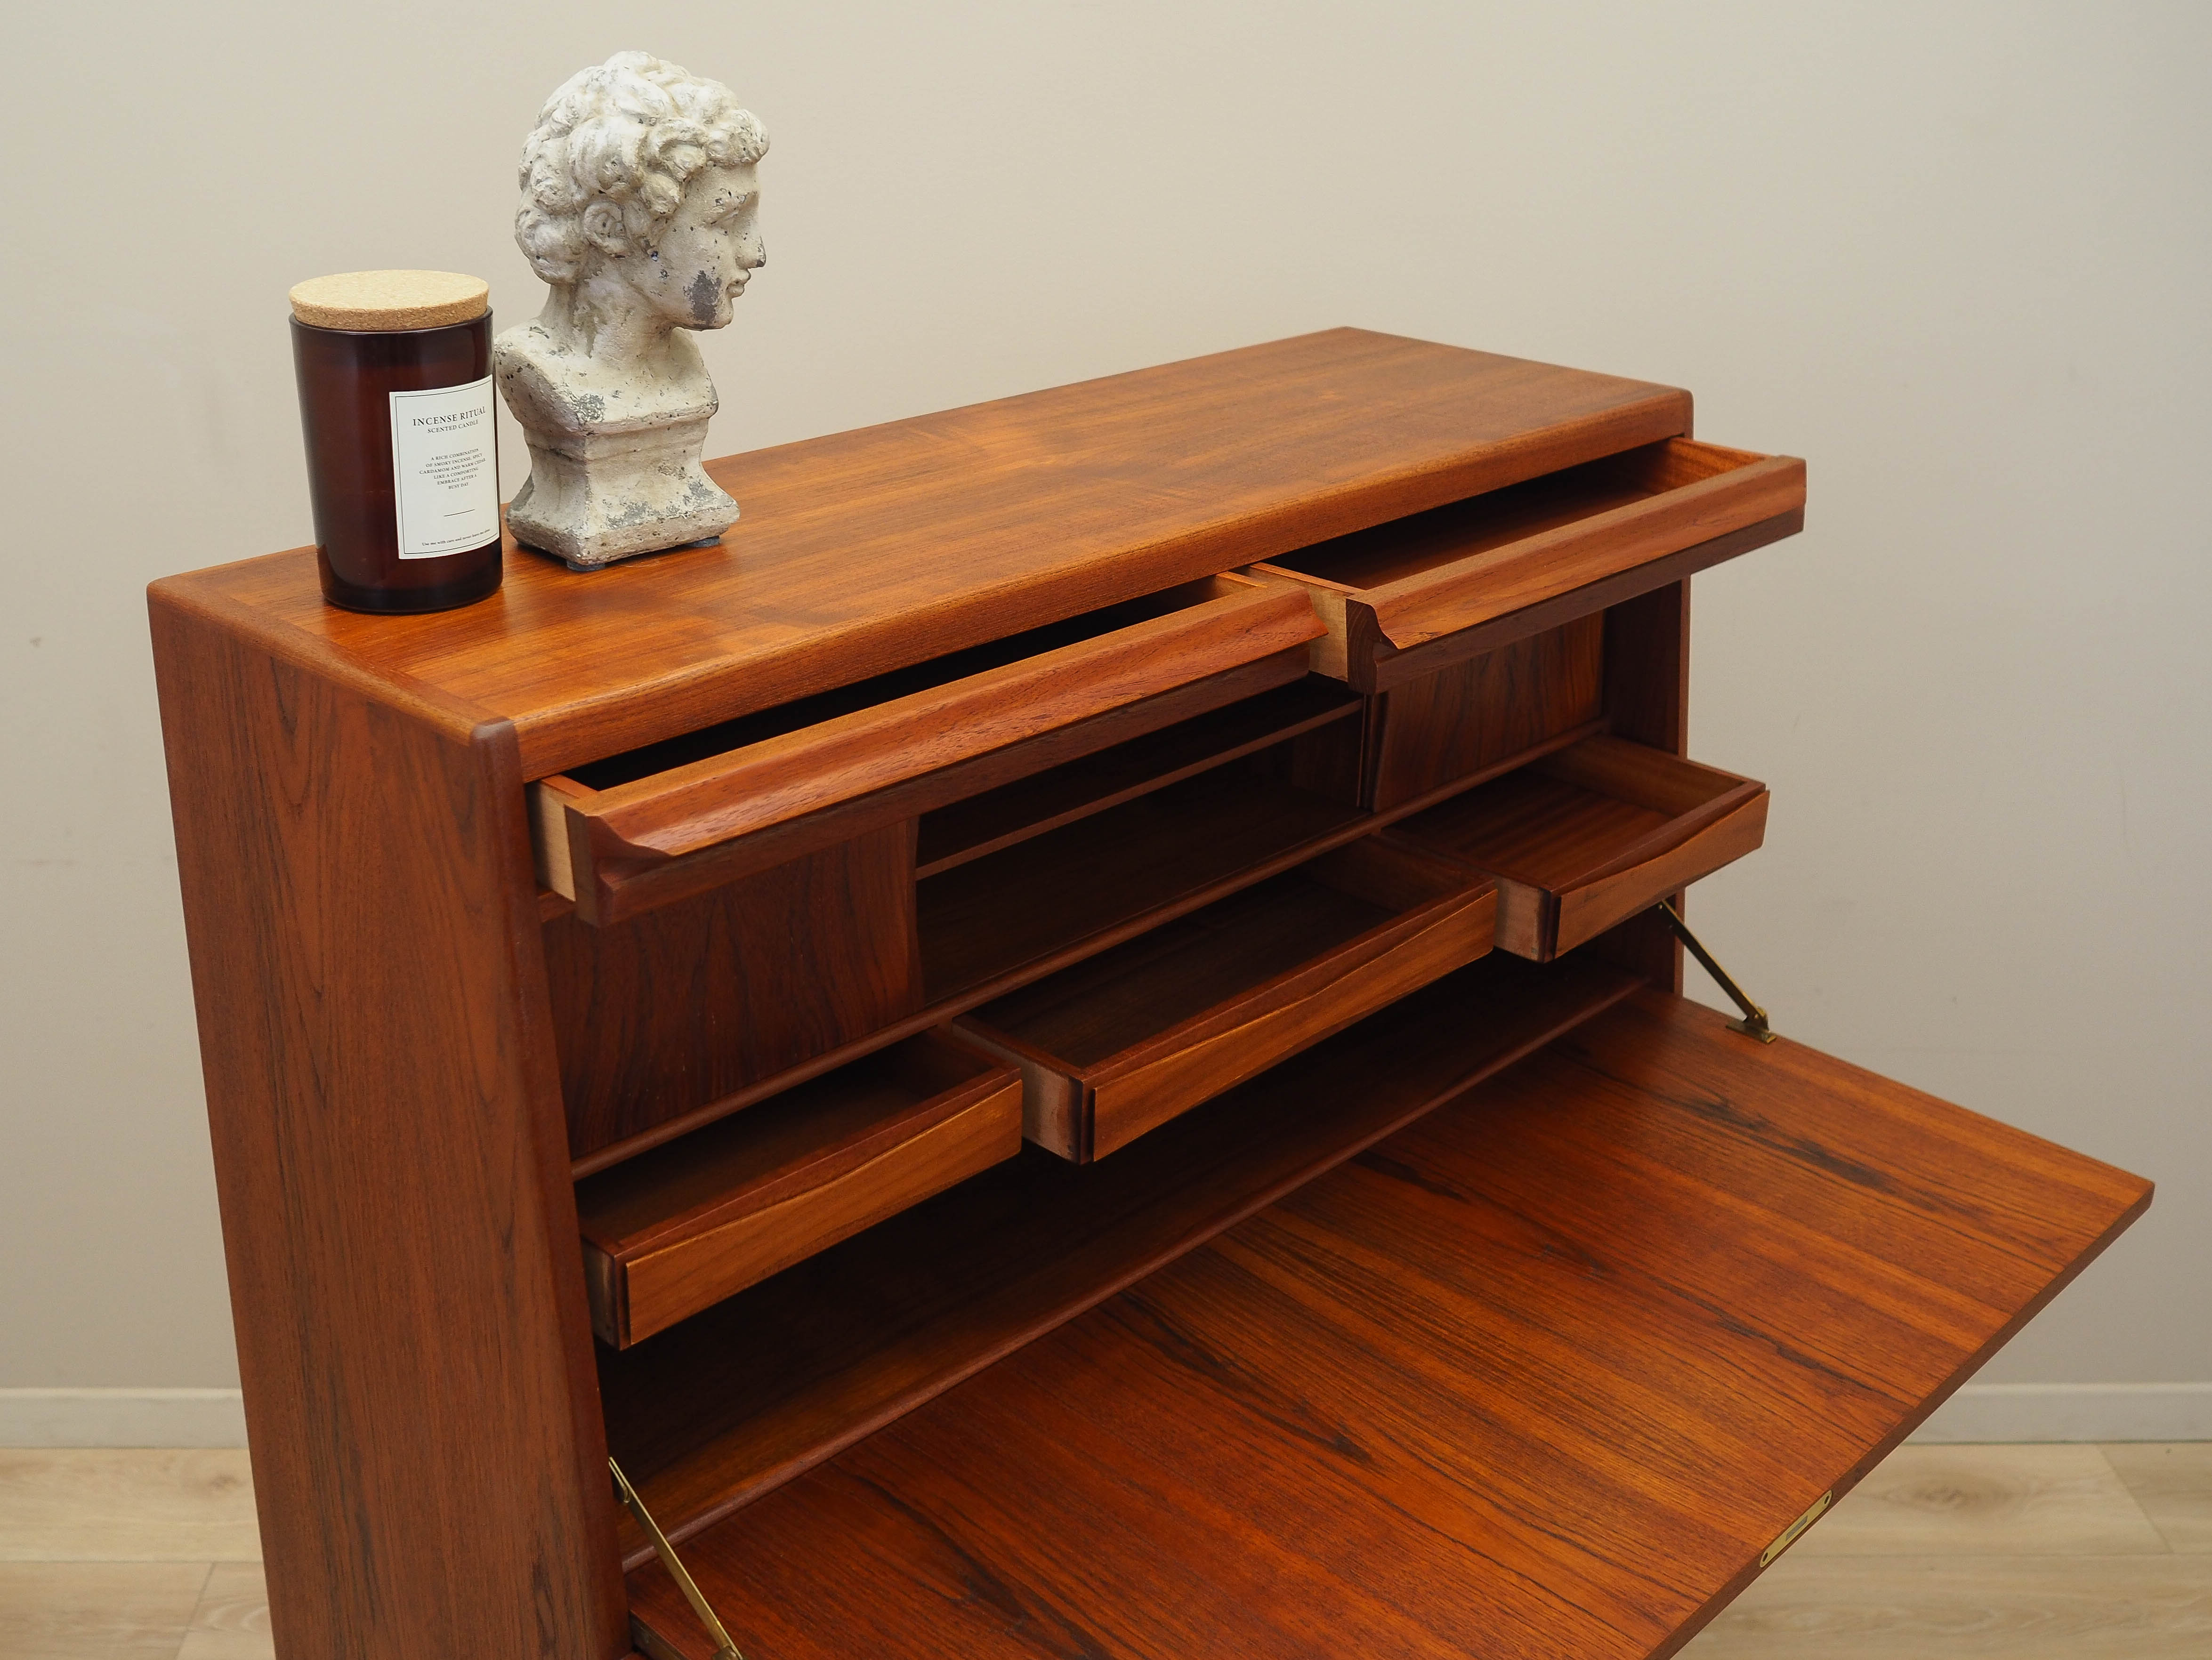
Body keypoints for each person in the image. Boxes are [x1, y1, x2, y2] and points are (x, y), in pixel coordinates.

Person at [496, 52, 768, 568]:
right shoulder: (533, 368)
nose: (755, 252)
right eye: (728, 220)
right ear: (609, 229)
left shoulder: (681, 363)